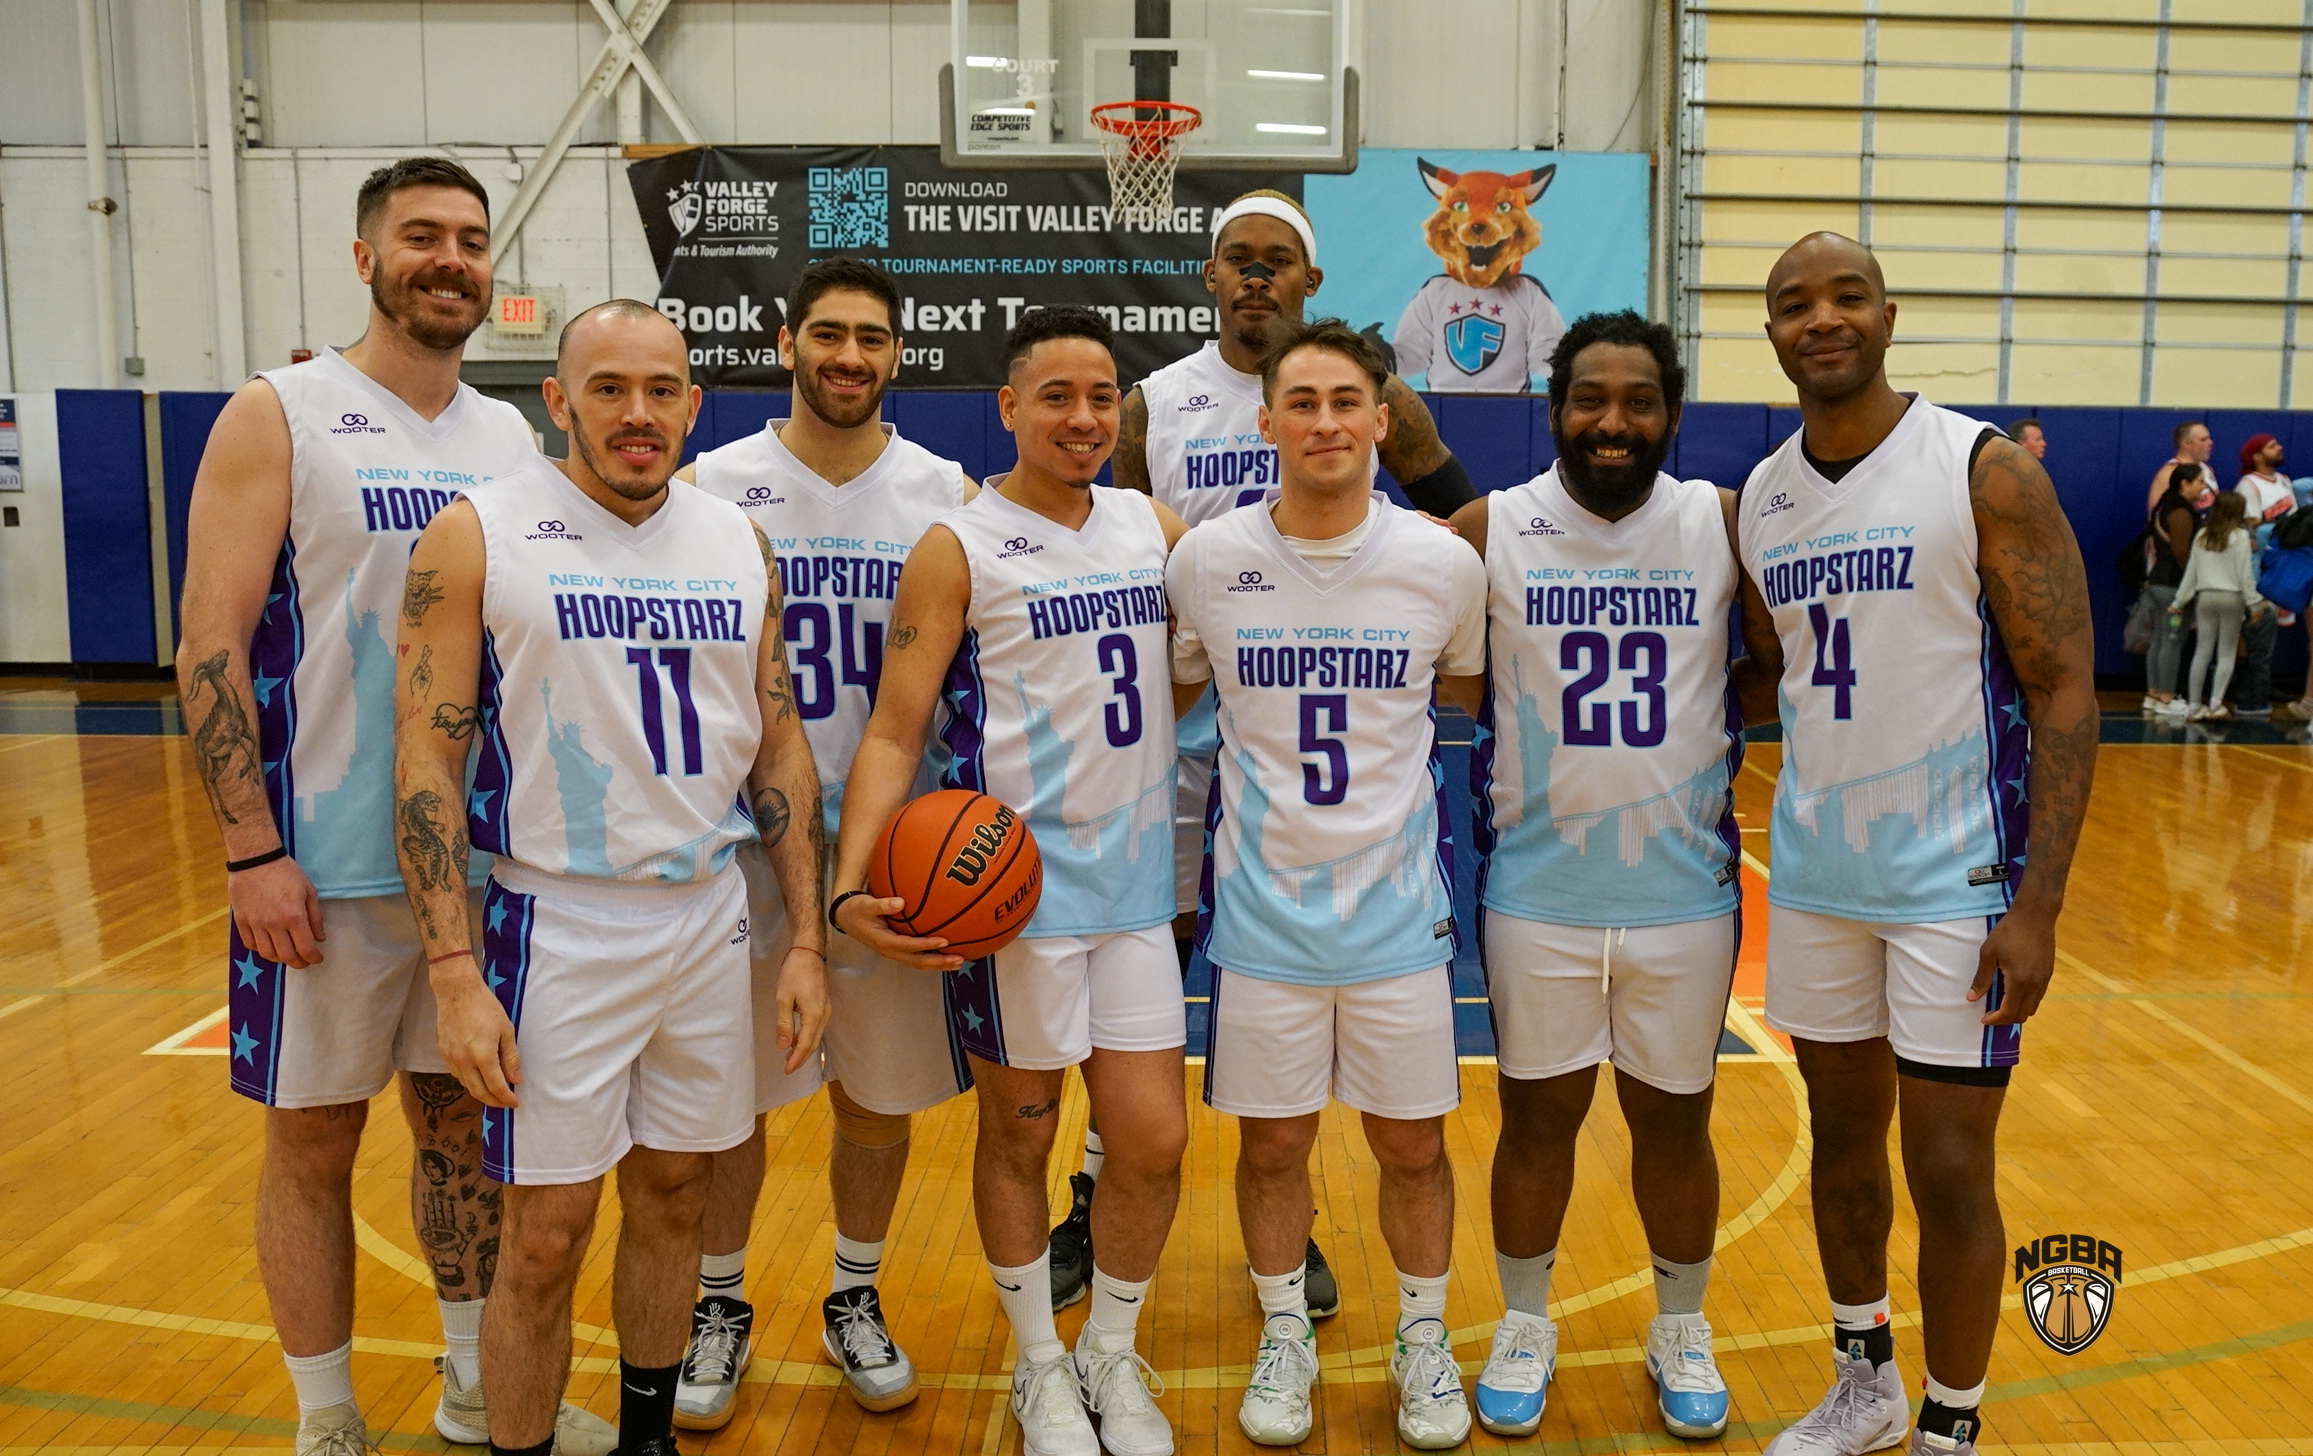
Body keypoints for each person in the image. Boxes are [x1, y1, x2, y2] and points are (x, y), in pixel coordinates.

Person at [172, 157, 615, 1456]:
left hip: (472, 872)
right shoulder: (281, 413)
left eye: (471, 241)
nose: (450, 258)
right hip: (316, 863)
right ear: (366, 257)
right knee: (311, 1147)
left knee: (461, 1134)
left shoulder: (509, 439)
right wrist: (251, 849)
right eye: (421, 236)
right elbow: (209, 642)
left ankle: (474, 1383)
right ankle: (326, 1422)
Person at [392, 300, 830, 1456]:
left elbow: (777, 738)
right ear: (558, 398)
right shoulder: (477, 532)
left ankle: (646, 1441)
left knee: (678, 1192)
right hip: (559, 921)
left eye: (662, 390)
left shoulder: (740, 540)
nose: (639, 415)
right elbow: (428, 759)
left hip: (706, 914)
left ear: (693, 401)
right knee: (546, 1232)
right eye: (609, 389)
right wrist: (450, 968)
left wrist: (807, 942)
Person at [1066, 187, 1481, 1314]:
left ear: (1310, 283)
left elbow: (1465, 513)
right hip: (1181, 735)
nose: (1256, 275)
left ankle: (1295, 1252)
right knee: (1141, 993)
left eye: (1278, 261)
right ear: (1211, 277)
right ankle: (1095, 1193)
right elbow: (1098, 539)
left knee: (1281, 1041)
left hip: (1316, 730)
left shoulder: (1371, 398)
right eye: (1236, 259)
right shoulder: (1153, 404)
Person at [1737, 234, 2097, 1456]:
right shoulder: (1766, 499)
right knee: (1842, 1149)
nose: (1821, 319)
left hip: (1960, 882)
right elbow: (1774, 677)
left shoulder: (1983, 470)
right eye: (1796, 305)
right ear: (1772, 332)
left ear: (1889, 315)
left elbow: (2063, 688)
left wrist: (2038, 905)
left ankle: (1951, 1421)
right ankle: (1865, 1379)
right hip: (1823, 880)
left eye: (1846, 297)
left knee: (1949, 1168)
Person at [833, 306, 1191, 1456]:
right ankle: (1041, 1364)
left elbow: (1187, 676)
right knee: (1022, 1136)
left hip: (1136, 892)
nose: (1084, 418)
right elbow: (894, 729)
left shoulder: (1154, 526)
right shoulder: (961, 542)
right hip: (1013, 907)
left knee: (1151, 1141)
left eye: (1103, 398)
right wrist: (853, 888)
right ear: (1010, 407)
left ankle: (1111, 1351)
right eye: (1058, 397)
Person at [1449, 310, 1777, 1442]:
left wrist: (1705, 728)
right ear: (1556, 408)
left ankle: (1679, 1322)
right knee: (1536, 1121)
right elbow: (1428, 665)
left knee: (1675, 1124)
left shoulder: (1722, 523)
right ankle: (1525, 1320)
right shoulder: (1491, 527)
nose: (1613, 422)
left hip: (1685, 895)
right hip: (1534, 892)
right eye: (1591, 398)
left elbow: (1776, 667)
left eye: (1639, 401)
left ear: (1671, 415)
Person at [666, 257, 975, 1424]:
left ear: (899, 355)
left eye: (873, 339)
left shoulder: (946, 493)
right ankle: (719, 1300)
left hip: (896, 857)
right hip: (745, 847)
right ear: (786, 342)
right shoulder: (712, 486)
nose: (851, 356)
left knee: (875, 1098)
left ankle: (854, 1292)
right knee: (727, 1103)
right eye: (829, 334)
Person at [1170, 319, 1487, 1450]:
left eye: (1345, 402)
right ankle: (1284, 1333)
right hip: (1261, 922)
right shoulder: (1206, 560)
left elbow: (1457, 692)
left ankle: (1424, 1338)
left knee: (1412, 1148)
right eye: (1300, 403)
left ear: (1382, 418)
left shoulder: (1444, 563)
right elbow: (1182, 692)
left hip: (1400, 919)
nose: (1323, 422)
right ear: (1266, 424)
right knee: (1272, 1149)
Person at [2174, 490, 2271, 722]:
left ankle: (2194, 706)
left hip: (2205, 597)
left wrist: (2179, 601)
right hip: (2232, 598)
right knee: (2226, 653)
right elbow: (2245, 576)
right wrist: (2255, 604)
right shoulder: (2239, 537)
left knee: (2201, 652)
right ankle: (2216, 702)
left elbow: (2191, 573)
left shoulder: (2202, 535)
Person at [2231, 434, 2294, 716]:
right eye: (2271, 446)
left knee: (2272, 630)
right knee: (2255, 629)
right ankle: (2250, 688)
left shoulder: (2284, 481)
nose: (2279, 448)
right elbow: (2254, 527)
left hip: (2284, 561)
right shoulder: (2248, 485)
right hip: (2258, 564)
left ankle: (2264, 684)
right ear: (2257, 456)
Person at [2141, 463, 2203, 717]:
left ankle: (2154, 694)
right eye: (2200, 482)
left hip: (2157, 583)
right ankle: (2166, 697)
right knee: (2172, 640)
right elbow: (2181, 551)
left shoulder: (2164, 507)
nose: (2203, 488)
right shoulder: (2180, 511)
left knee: (2159, 640)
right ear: (2184, 484)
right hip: (2172, 587)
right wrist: (2193, 584)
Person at [2147, 420, 2214, 516]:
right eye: (2203, 440)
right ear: (2186, 444)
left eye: (2209, 438)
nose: (2210, 443)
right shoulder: (2169, 472)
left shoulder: (2206, 469)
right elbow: (2155, 514)